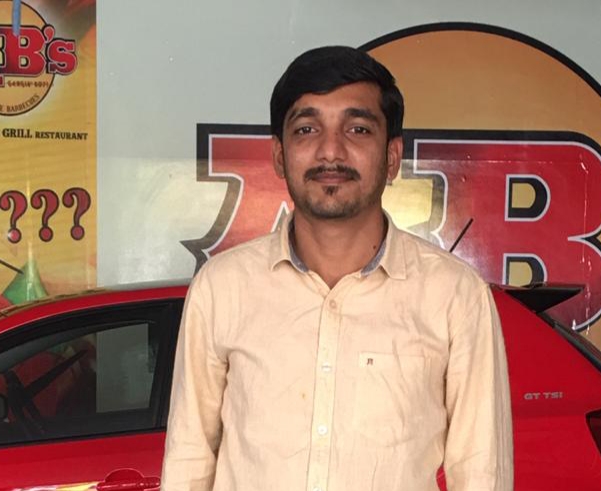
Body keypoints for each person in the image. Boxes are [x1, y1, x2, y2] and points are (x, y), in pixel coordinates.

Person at [162, 46, 513, 491]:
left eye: (358, 129)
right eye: (306, 129)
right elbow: (188, 461)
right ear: (279, 155)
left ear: (391, 156)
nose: (330, 151)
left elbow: (482, 474)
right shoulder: (222, 288)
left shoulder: (455, 296)